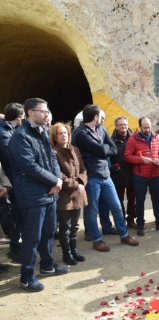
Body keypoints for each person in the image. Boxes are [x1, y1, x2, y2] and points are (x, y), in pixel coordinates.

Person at [9, 98, 69, 291]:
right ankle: (27, 276)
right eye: (42, 111)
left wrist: (57, 180)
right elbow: (29, 166)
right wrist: (54, 181)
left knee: (49, 232)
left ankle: (47, 265)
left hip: (49, 192)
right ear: (30, 113)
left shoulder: (42, 132)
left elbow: (51, 157)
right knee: (32, 237)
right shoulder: (21, 135)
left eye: (47, 110)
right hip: (32, 195)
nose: (46, 114)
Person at [75, 104, 139, 252]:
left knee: (116, 207)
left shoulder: (101, 130)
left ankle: (124, 235)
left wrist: (102, 150)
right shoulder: (80, 133)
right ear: (95, 117)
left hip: (106, 175)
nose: (104, 120)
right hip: (91, 177)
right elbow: (102, 150)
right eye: (101, 117)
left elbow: (113, 149)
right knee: (92, 211)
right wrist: (103, 149)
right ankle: (96, 240)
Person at [50, 122, 88, 265]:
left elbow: (83, 169)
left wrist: (81, 185)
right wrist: (74, 187)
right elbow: (58, 174)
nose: (64, 135)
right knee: (64, 228)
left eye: (65, 132)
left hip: (78, 192)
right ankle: (67, 254)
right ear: (55, 136)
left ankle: (75, 251)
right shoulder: (53, 152)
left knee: (75, 226)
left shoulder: (75, 149)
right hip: (65, 195)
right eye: (60, 133)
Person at [124, 117, 159, 236]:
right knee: (140, 201)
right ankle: (141, 225)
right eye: (144, 127)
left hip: (155, 175)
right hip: (140, 176)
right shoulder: (133, 139)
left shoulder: (157, 137)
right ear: (140, 127)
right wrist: (141, 160)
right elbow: (127, 156)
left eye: (149, 127)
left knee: (157, 200)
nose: (147, 129)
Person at [0, 102, 24, 262]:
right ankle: (15, 249)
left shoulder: (8, 130)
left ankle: (17, 248)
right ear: (18, 117)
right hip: (13, 181)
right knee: (17, 215)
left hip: (14, 179)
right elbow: (10, 157)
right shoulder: (3, 133)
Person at [110, 116, 137, 229]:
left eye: (125, 124)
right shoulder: (111, 141)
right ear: (116, 126)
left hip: (132, 172)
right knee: (118, 200)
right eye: (120, 124)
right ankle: (121, 221)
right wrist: (113, 167)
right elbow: (108, 157)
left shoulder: (134, 139)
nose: (123, 126)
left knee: (132, 199)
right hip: (117, 174)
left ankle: (131, 219)